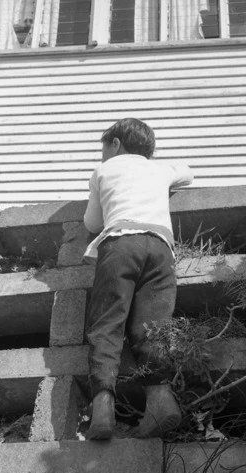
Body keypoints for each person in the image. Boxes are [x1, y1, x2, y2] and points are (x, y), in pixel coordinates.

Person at [83, 118, 193, 440]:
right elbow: (187, 170)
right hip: (161, 250)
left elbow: (92, 221)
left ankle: (102, 406)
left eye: (104, 148)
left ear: (115, 144)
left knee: (107, 324)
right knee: (150, 329)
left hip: (121, 244)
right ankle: (160, 399)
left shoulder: (105, 171)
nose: (102, 155)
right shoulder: (159, 170)